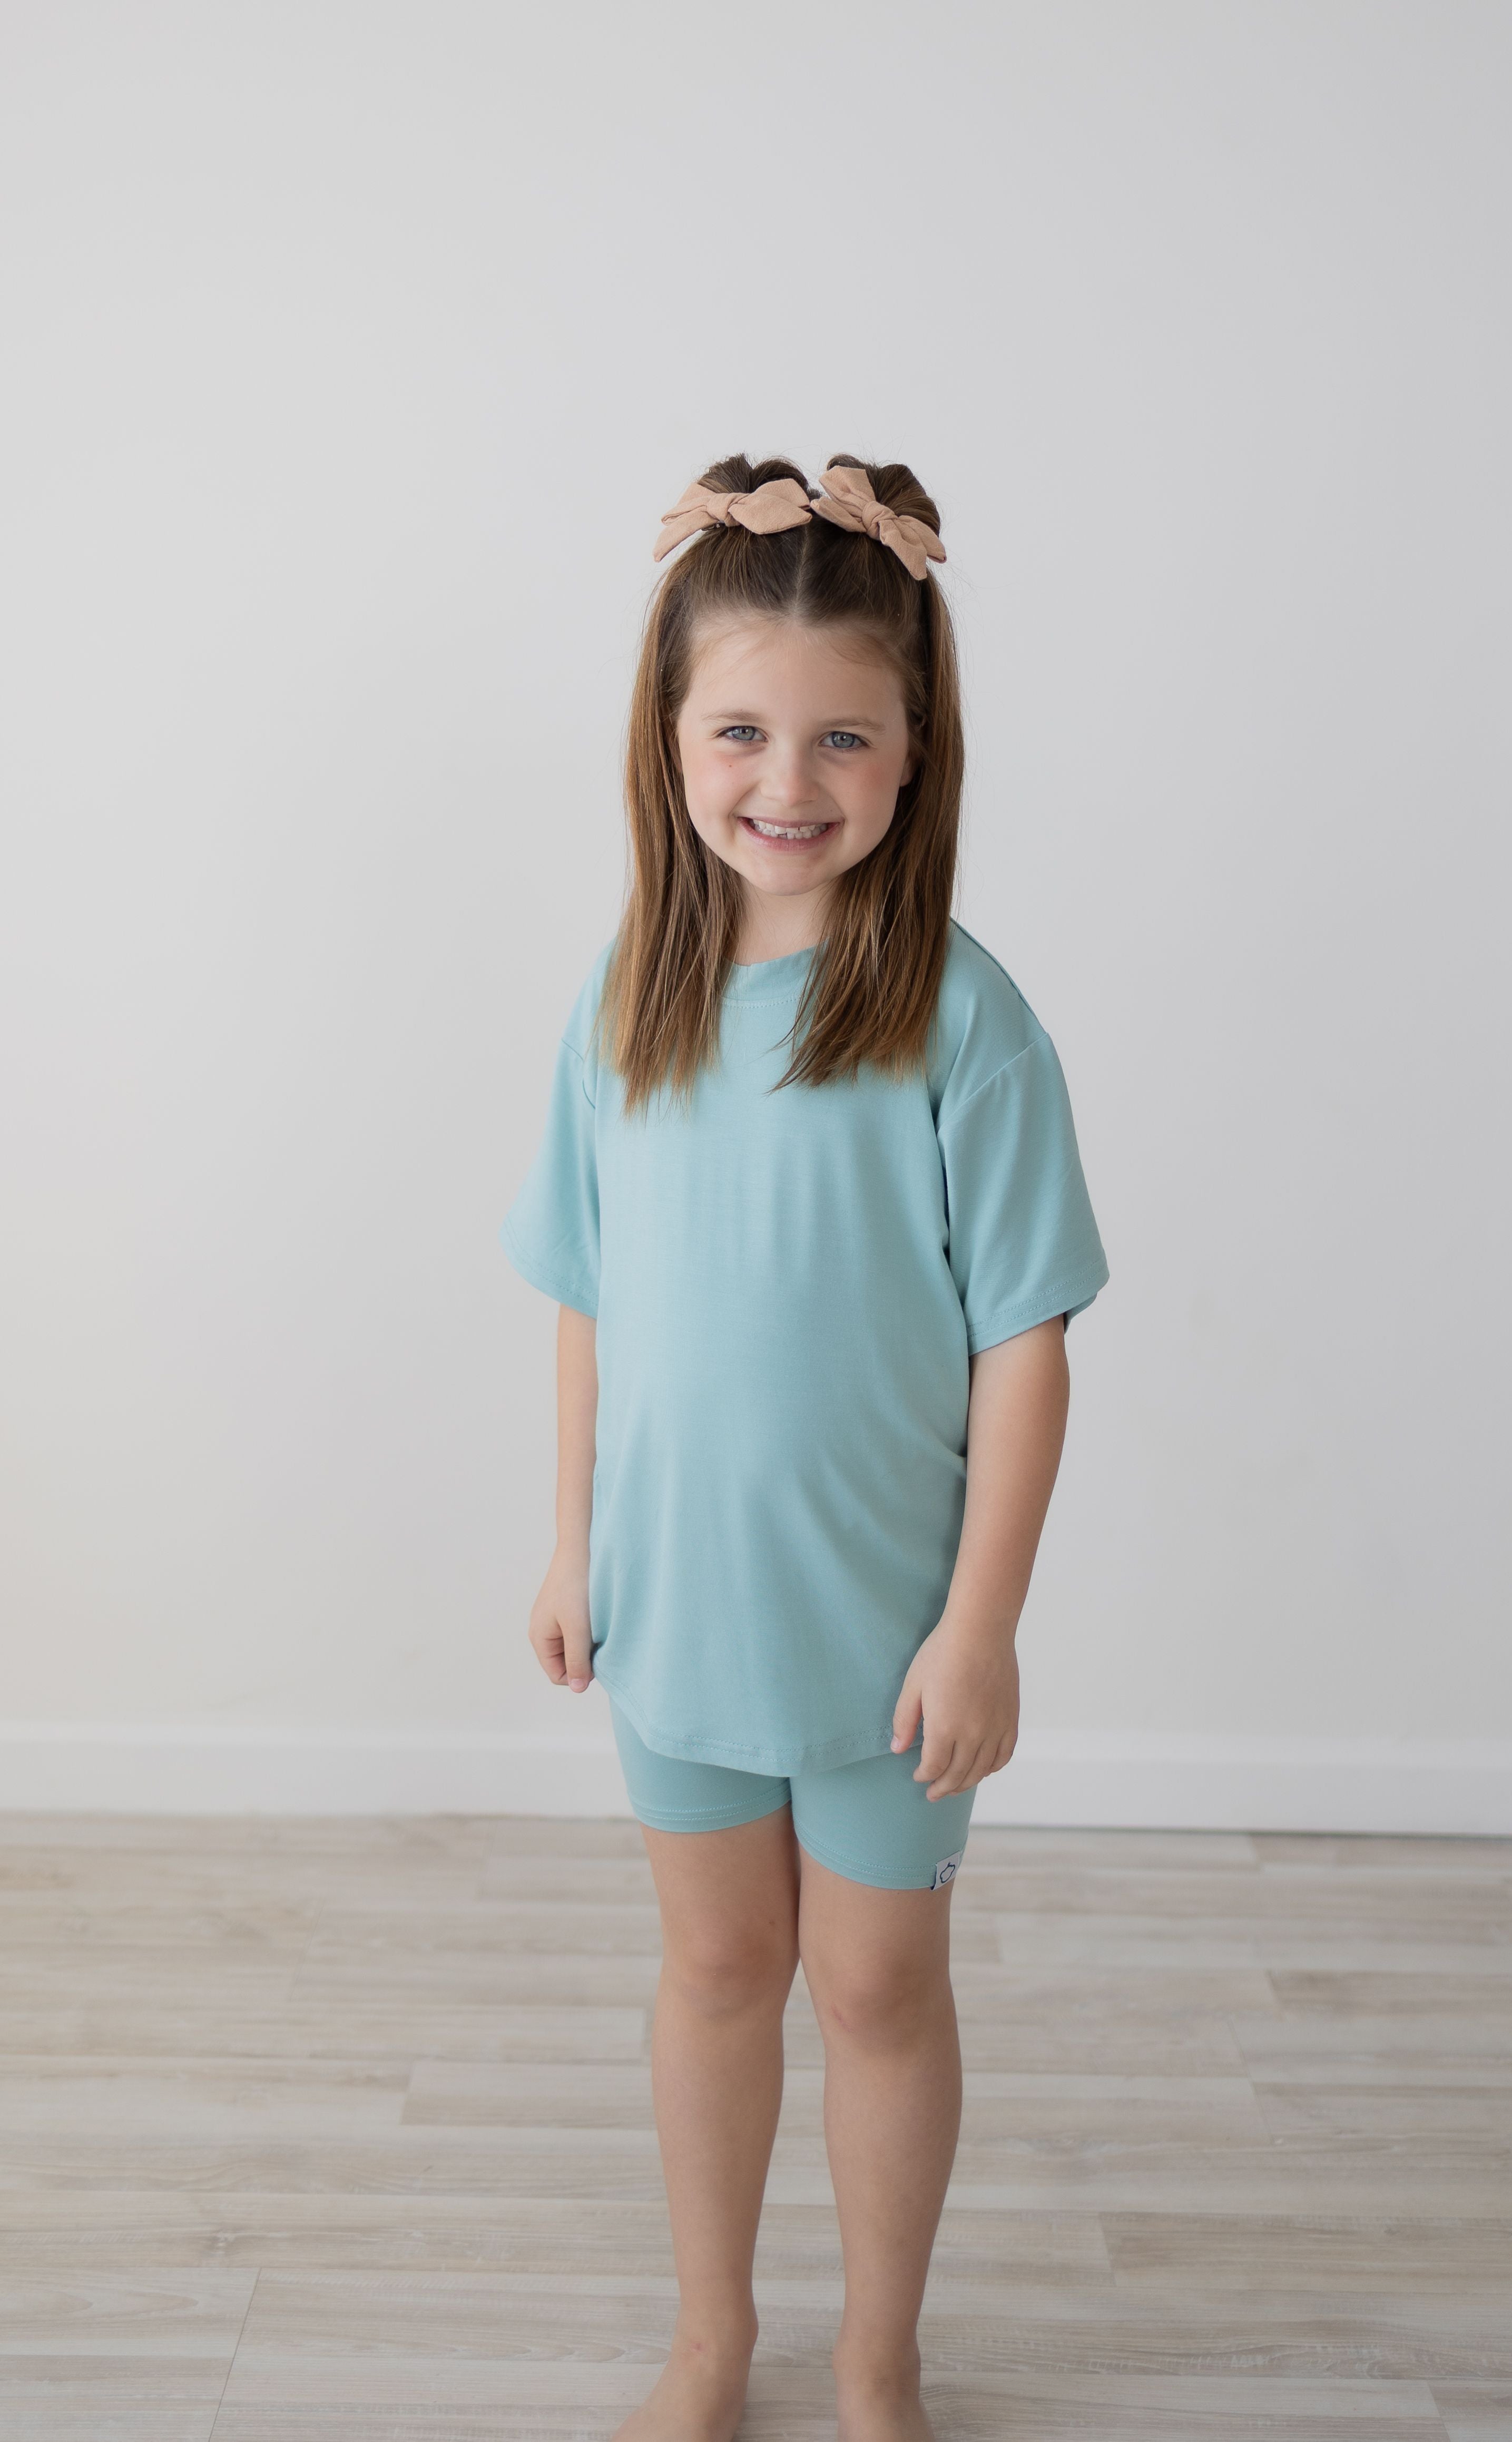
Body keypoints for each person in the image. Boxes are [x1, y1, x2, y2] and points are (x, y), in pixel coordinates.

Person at [500, 452, 1109, 2442]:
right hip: (675, 1610)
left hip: (883, 1642)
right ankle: (713, 2337)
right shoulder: (628, 1002)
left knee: (874, 1991)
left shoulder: (960, 1020)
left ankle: (876, 2360)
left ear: (915, 748)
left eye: (843, 734)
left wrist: (980, 1626)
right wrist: (573, 1540)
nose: (788, 778)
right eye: (742, 730)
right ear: (668, 739)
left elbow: (1026, 1342)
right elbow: (589, 1297)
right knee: (715, 1971)